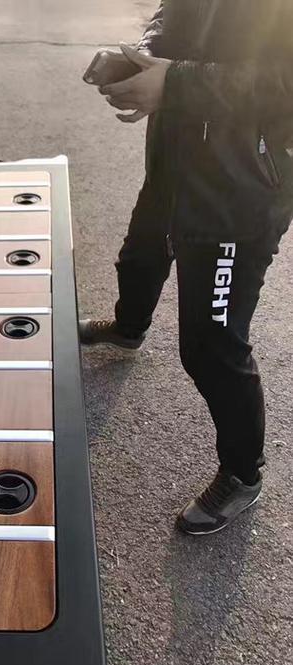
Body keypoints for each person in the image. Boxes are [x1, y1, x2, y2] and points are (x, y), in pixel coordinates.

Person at [80, 0, 293, 535]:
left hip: (240, 191)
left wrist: (175, 84)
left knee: (210, 344)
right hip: (175, 164)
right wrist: (141, 63)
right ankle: (128, 328)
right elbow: (172, 19)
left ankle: (243, 474)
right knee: (139, 257)